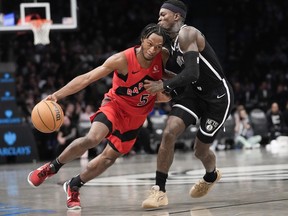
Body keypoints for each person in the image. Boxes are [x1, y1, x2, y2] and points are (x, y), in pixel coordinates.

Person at [27, 23, 171, 210]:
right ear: (142, 39)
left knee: (108, 159)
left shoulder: (163, 56)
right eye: (150, 44)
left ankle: (74, 185)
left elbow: (167, 81)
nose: (153, 50)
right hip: (115, 106)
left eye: (158, 46)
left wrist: (167, 89)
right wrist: (57, 95)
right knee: (93, 138)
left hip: (136, 117)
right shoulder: (122, 60)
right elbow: (87, 78)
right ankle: (51, 167)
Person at [142, 0, 234, 209]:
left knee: (200, 151)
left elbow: (193, 72)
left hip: (217, 98)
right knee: (168, 133)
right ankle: (159, 191)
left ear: (177, 16)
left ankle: (211, 175)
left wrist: (164, 85)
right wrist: (170, 87)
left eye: (163, 14)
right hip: (193, 94)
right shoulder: (170, 45)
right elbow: (185, 76)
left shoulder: (188, 33)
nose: (159, 18)